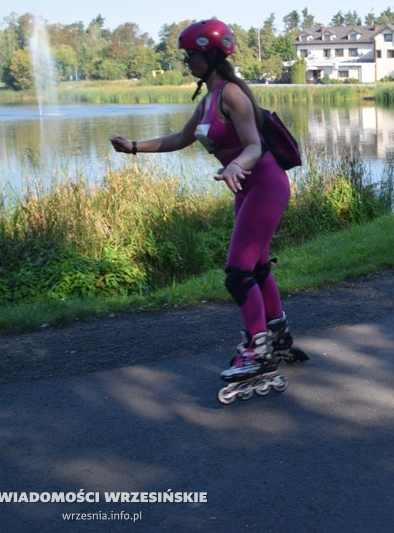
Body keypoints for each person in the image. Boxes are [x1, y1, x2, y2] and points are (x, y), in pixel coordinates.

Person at [110, 19, 296, 384]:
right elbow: (179, 138)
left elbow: (255, 147)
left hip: (264, 183)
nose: (187, 62)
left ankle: (257, 351)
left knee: (237, 273)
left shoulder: (232, 95)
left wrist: (235, 167)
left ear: (211, 55)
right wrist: (133, 147)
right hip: (245, 186)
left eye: (191, 55)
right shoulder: (209, 98)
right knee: (255, 267)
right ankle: (277, 333)